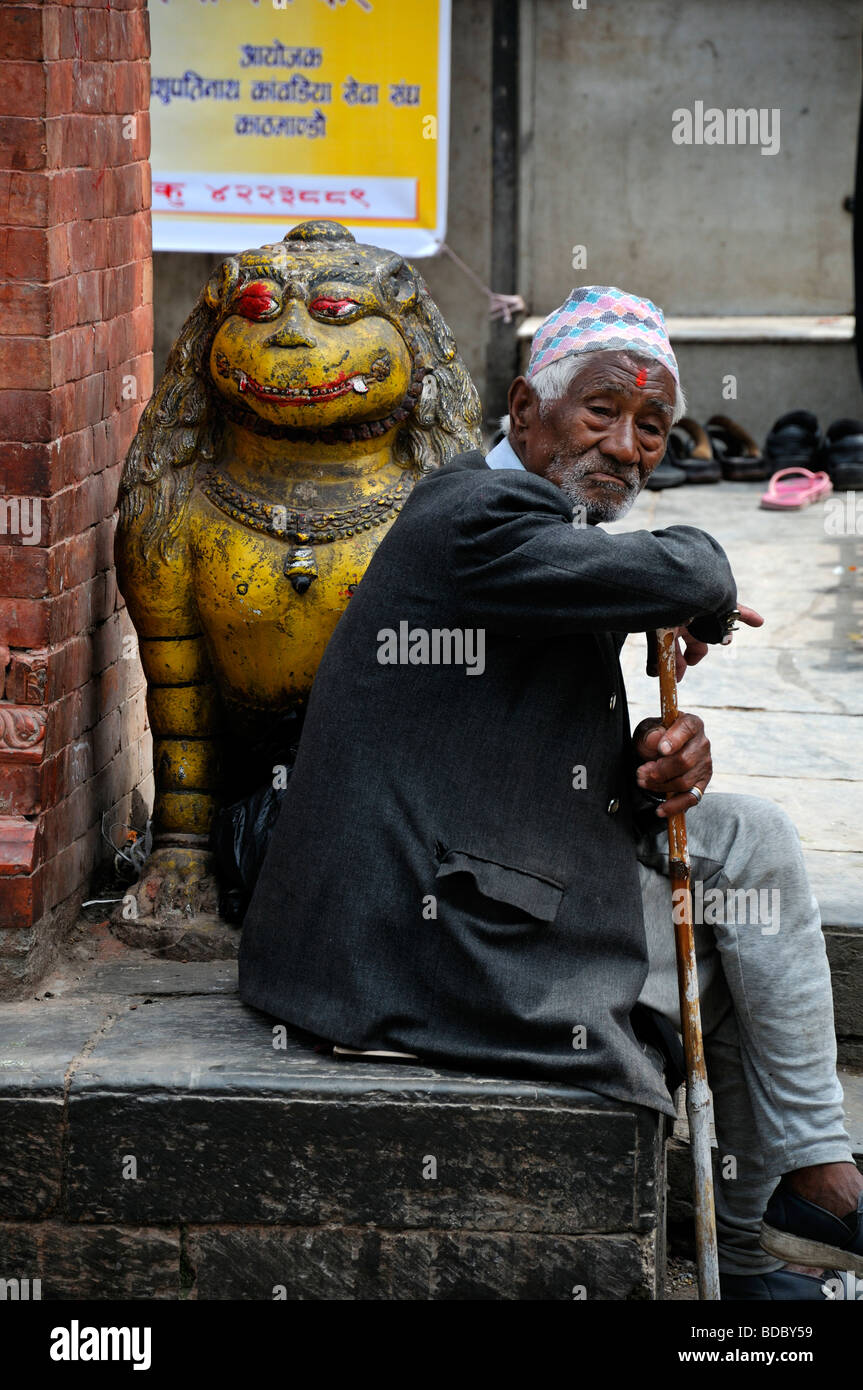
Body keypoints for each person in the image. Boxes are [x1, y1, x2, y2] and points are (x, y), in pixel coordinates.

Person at [239, 285, 863, 1300]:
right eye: (600, 412)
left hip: (458, 863)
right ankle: (777, 1228)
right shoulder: (475, 515)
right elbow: (695, 562)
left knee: (746, 847)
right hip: (406, 940)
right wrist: (690, 579)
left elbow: (510, 750)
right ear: (523, 409)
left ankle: (791, 1201)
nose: (626, 445)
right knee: (735, 933)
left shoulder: (535, 526)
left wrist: (655, 763)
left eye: (652, 426)